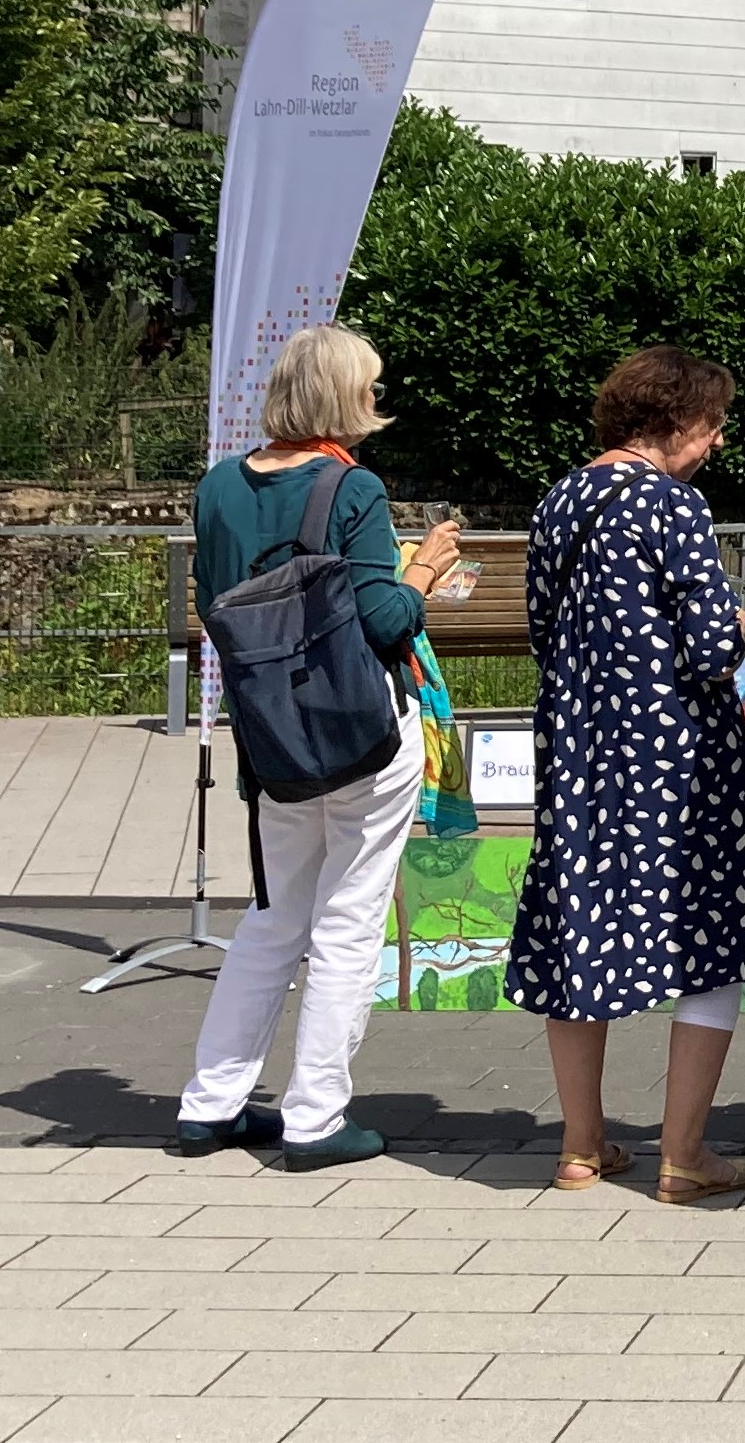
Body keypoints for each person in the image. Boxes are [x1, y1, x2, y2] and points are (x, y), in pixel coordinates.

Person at [168, 323, 463, 1169]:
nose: (377, 401)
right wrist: (425, 569)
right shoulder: (352, 487)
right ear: (344, 397)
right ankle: (315, 1117)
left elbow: (215, 604)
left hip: (270, 737)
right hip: (362, 730)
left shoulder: (217, 486)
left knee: (271, 916)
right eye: (369, 386)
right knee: (347, 921)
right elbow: (384, 622)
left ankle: (212, 1103)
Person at [505, 346, 745, 1202]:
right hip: (679, 754)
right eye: (710, 426)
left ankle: (581, 1147)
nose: (714, 442)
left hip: (582, 750)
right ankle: (683, 1152)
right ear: (674, 423)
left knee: (581, 922)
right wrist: (735, 624)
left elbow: (540, 627)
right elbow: (709, 650)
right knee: (713, 939)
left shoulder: (561, 501)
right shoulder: (674, 506)